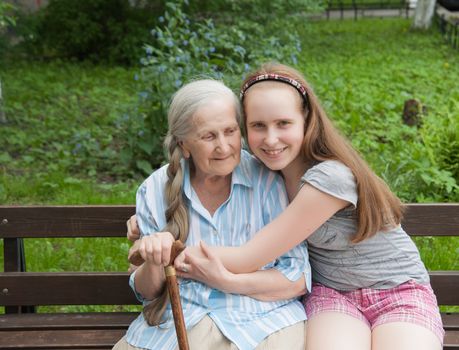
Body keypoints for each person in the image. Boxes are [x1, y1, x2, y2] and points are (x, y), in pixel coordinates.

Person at [128, 62, 444, 350]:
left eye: (283, 123)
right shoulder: (269, 174)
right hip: (332, 294)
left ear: (307, 120)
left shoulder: (329, 179)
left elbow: (250, 255)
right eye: (258, 126)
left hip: (398, 292)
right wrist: (151, 227)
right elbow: (187, 185)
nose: (271, 139)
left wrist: (164, 244)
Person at [114, 79, 311, 350]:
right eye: (208, 136)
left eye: (230, 131)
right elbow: (148, 293)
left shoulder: (266, 181)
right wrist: (155, 259)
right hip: (181, 322)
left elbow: (295, 277)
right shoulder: (155, 189)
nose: (224, 146)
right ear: (184, 145)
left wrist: (227, 281)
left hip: (263, 321)